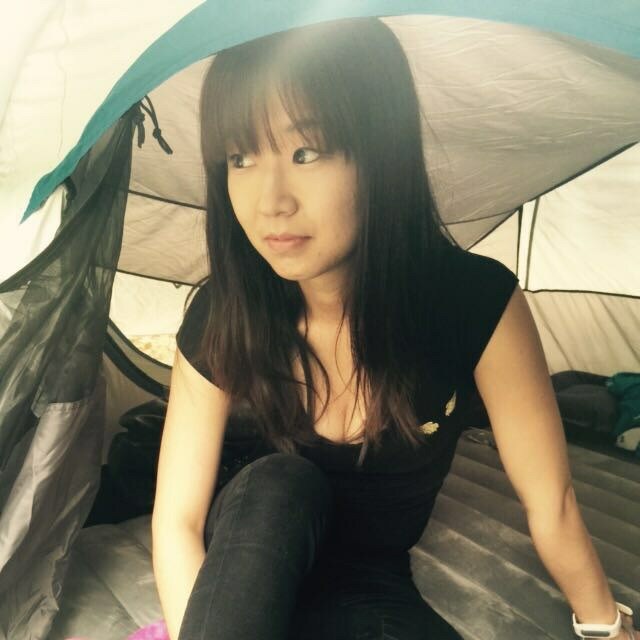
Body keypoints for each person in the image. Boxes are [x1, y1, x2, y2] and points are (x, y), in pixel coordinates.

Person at [151, 17, 638, 640]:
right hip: (244, 562)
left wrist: (606, 626)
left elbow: (552, 502)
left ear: (382, 154)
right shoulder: (225, 310)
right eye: (240, 157)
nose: (270, 201)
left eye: (306, 152)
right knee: (279, 481)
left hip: (366, 581)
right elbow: (178, 522)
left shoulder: (472, 302)